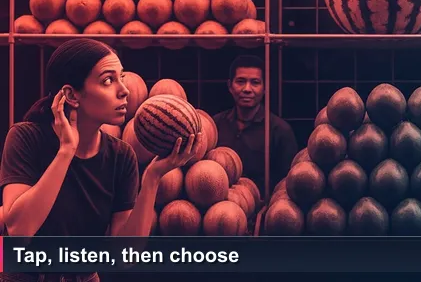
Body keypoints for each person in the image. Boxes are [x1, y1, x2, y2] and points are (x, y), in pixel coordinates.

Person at [0, 38, 199, 282]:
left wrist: (152, 178)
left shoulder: (121, 156)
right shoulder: (26, 137)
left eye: (121, 78)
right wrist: (66, 152)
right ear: (71, 95)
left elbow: (124, 257)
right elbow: (19, 231)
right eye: (108, 80)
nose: (124, 90)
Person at [213, 55, 298, 196]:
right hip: (220, 207)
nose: (247, 89)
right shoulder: (215, 125)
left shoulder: (280, 130)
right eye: (240, 81)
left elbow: (288, 182)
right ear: (230, 86)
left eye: (255, 82)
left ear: (265, 88)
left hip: (264, 209)